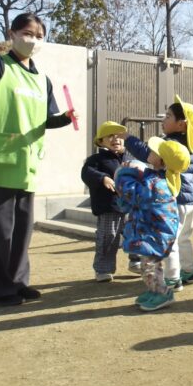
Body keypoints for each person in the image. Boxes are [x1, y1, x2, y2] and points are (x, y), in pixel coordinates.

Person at [0, 0, 77, 307]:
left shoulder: (41, 80)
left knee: (22, 231)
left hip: (26, 166)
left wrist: (65, 118)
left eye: (38, 35)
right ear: (11, 34)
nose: (33, 40)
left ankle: (18, 283)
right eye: (26, 33)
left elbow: (46, 120)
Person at [123, 95, 193, 291]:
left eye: (168, 116)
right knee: (183, 237)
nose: (163, 120)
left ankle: (173, 278)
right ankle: (189, 271)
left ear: (182, 124)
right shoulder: (187, 143)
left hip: (173, 199)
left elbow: (148, 155)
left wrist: (128, 139)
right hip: (188, 199)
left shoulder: (171, 144)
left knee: (169, 240)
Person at [116, 137, 190, 312]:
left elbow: (133, 194)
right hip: (152, 232)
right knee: (149, 266)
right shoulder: (157, 178)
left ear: (161, 161)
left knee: (149, 267)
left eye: (154, 151)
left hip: (154, 234)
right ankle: (153, 290)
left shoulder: (156, 184)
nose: (150, 152)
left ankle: (162, 293)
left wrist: (124, 175)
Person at [81, 121, 128, 282]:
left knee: (136, 234)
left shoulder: (128, 158)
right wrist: (103, 178)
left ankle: (137, 261)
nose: (116, 139)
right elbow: (87, 173)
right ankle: (103, 269)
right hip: (109, 206)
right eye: (110, 136)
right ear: (101, 141)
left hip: (131, 206)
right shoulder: (96, 159)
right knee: (109, 237)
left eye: (119, 136)